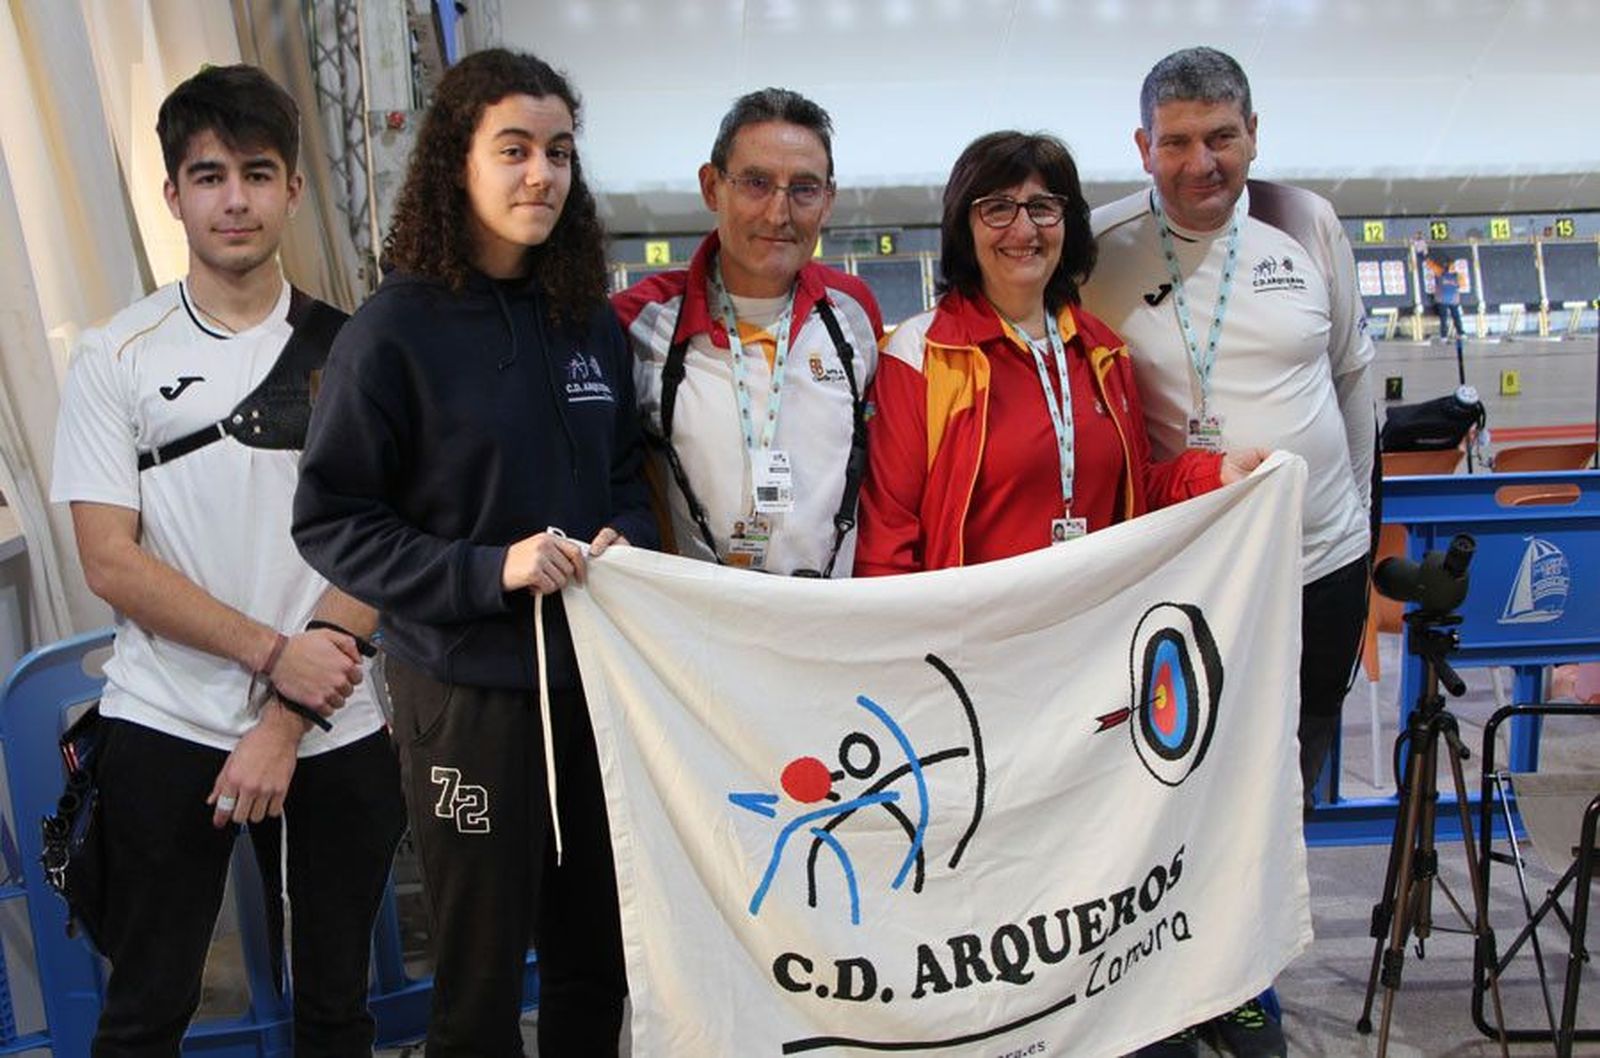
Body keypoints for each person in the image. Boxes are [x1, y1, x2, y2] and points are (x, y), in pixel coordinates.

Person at [292, 50, 655, 1055]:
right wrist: (485, 569)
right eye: (514, 150)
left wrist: (631, 532)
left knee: (599, 956)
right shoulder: (392, 332)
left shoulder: (589, 322)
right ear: (457, 162)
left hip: (596, 684)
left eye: (559, 152)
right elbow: (332, 521)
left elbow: (625, 471)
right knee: (481, 974)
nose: (541, 173)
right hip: (467, 693)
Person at [49, 64, 404, 1056]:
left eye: (257, 171)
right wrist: (269, 653)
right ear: (173, 196)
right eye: (208, 176)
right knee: (146, 1009)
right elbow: (109, 562)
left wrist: (289, 711)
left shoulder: (362, 352)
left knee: (336, 1009)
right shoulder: (116, 355)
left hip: (334, 722)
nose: (235, 199)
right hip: (165, 715)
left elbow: (379, 545)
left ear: (293, 187)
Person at [1081, 46, 1378, 1058]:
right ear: (1142, 146)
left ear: (1254, 133)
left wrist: (1362, 530)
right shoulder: (1104, 245)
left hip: (1320, 561)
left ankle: (1243, 976)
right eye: (1176, 142)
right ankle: (1167, 974)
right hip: (1191, 577)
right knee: (1175, 776)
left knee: (1282, 777)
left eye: (1221, 137)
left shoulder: (1309, 222)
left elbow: (1350, 382)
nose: (1200, 162)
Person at [853, 131, 1258, 576]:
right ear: (964, 227)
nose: (1024, 229)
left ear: (1067, 223)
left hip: (1088, 626)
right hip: (975, 635)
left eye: (1042, 207)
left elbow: (1134, 487)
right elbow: (888, 533)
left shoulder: (1102, 350)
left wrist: (1210, 474)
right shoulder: (922, 353)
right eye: (998, 208)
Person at [613, 88, 883, 576]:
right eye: (756, 183)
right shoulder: (641, 322)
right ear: (713, 186)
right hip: (703, 634)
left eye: (803, 188)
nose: (779, 214)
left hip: (833, 629)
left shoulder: (854, 312)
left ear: (827, 200)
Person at [1427, 253, 1466, 340]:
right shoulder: (1440, 272)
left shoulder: (1456, 275)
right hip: (1444, 300)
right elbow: (1430, 264)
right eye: (1450, 266)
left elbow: (1462, 284)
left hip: (1451, 300)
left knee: (1455, 317)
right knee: (1445, 319)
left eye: (1453, 266)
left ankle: (1459, 333)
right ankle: (1445, 335)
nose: (1452, 268)